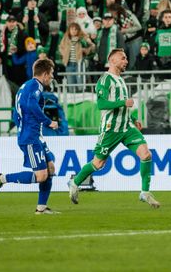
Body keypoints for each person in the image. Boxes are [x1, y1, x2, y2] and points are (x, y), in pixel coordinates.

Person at [67, 48, 160, 208]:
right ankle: (75, 182)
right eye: (123, 58)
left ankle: (145, 192)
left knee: (146, 154)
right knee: (98, 163)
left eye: (126, 58)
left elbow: (122, 106)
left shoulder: (121, 80)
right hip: (111, 128)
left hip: (127, 127)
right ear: (112, 61)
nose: (126, 61)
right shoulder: (105, 80)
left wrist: (133, 119)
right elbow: (101, 104)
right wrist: (123, 103)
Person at [0, 58, 59, 214]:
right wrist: (48, 121)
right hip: (30, 138)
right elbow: (30, 105)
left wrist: (25, 125)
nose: (52, 77)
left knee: (50, 167)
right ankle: (1, 178)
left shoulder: (26, 86)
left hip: (35, 135)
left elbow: (16, 114)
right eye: (51, 73)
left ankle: (41, 208)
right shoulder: (35, 86)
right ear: (45, 74)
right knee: (41, 176)